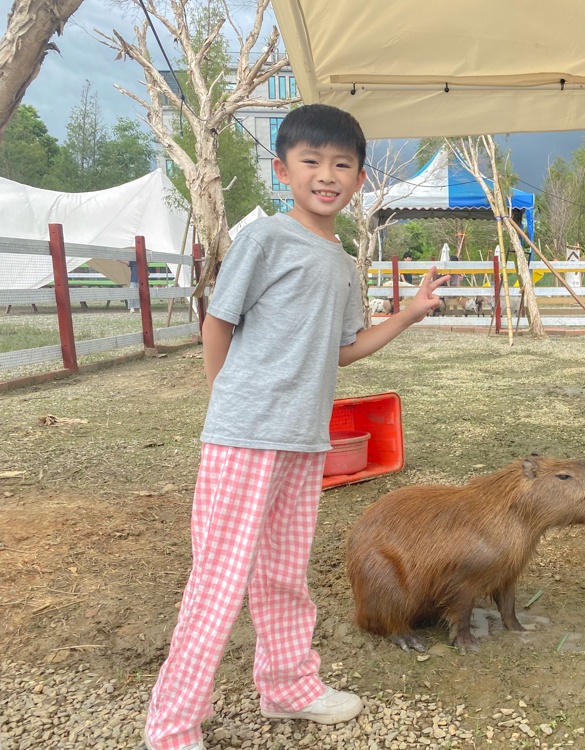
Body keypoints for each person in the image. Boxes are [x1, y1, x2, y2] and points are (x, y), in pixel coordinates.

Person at [142, 104, 450, 750]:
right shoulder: (264, 239)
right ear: (284, 171)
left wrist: (412, 314)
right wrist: (223, 403)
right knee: (219, 578)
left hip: (304, 441)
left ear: (360, 178)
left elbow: (345, 347)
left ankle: (287, 684)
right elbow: (216, 324)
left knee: (283, 572)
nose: (327, 175)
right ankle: (170, 726)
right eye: (312, 162)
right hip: (244, 435)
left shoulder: (342, 263)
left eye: (341, 164)